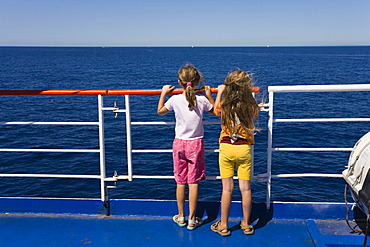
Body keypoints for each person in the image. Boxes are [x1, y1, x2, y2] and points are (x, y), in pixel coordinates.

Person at [157, 64, 215, 230]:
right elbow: (216, 112)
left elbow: (160, 111)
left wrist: (163, 93)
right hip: (196, 144)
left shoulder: (174, 99)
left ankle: (181, 216)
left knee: (180, 182)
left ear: (179, 82)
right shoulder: (202, 100)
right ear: (197, 82)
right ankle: (192, 219)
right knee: (194, 182)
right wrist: (209, 95)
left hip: (179, 143)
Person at [210, 69, 259, 236]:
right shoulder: (249, 106)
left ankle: (223, 225)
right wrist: (249, 94)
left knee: (227, 189)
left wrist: (220, 93)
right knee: (245, 189)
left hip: (226, 148)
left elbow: (216, 110)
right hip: (244, 149)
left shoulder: (226, 105)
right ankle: (246, 224)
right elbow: (255, 111)